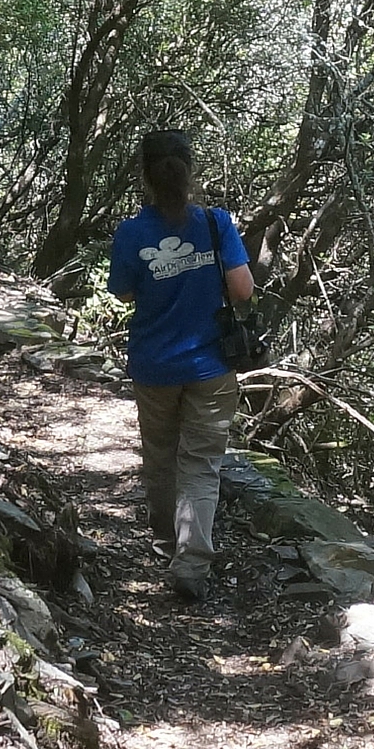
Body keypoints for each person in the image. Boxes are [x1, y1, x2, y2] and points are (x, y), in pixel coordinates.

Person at [108, 128, 254, 598]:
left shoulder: (131, 233)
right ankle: (191, 565)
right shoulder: (216, 224)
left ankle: (165, 538)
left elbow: (124, 291)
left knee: (161, 455)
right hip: (212, 365)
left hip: (154, 366)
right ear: (190, 171)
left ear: (143, 176)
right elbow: (243, 290)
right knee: (201, 463)